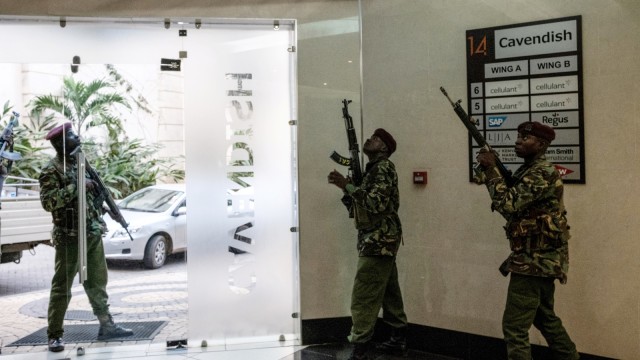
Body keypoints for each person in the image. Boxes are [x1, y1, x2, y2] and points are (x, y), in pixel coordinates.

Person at [476, 121, 579, 360]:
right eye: (518, 136)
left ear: (541, 144)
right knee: (545, 318)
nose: (518, 141)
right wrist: (488, 167)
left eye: (525, 138)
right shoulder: (528, 169)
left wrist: (492, 170)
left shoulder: (541, 171)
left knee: (514, 327)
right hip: (538, 260)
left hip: (534, 262)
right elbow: (500, 189)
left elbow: (508, 204)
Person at [39, 122, 133, 352]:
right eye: (70, 134)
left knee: (97, 282)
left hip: (91, 233)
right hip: (70, 237)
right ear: (60, 142)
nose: (76, 136)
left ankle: (106, 325)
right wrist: (78, 186)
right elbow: (49, 202)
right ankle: (55, 335)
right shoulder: (52, 170)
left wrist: (107, 209)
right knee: (62, 287)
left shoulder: (82, 163)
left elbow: (90, 200)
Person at [328, 128, 408, 360]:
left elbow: (375, 204)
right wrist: (347, 188)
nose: (368, 140)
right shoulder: (373, 171)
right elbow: (357, 208)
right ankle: (398, 338)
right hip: (377, 238)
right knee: (388, 290)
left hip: (378, 239)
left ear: (384, 148)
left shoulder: (383, 168)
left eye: (375, 139)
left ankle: (360, 345)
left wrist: (348, 186)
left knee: (364, 292)